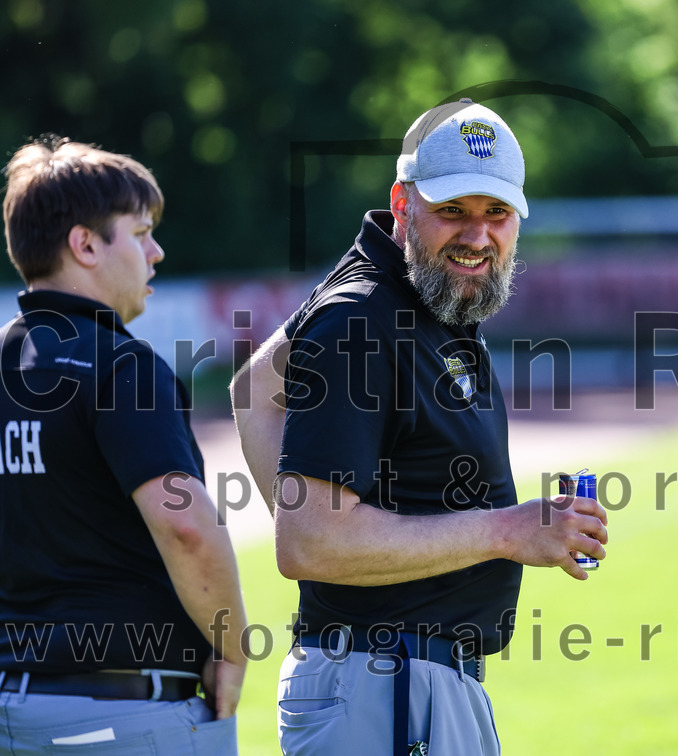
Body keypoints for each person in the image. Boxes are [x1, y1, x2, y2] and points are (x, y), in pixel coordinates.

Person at [231, 99, 609, 755]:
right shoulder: (362, 317)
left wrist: (337, 552)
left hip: (398, 682)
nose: (478, 235)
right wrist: (507, 530)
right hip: (386, 686)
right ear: (403, 205)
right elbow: (308, 545)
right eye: (453, 211)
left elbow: (253, 388)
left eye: (497, 214)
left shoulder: (412, 297)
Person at [0, 136, 248, 754]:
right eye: (139, 233)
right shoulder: (122, 367)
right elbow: (185, 526)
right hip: (124, 714)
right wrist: (233, 646)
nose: (156, 252)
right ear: (85, 244)